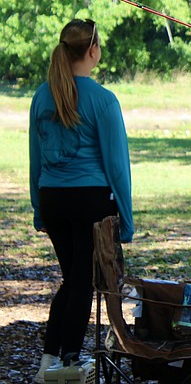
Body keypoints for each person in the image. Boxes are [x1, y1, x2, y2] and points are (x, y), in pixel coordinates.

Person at [29, 19, 133, 383]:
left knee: (71, 279)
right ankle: (68, 362)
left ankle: (49, 360)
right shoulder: (104, 100)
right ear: (93, 51)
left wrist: (39, 208)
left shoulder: (42, 96)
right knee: (82, 282)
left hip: (54, 199)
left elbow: (35, 158)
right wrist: (127, 220)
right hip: (90, 202)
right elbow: (117, 166)